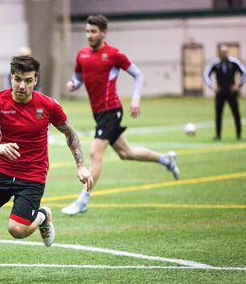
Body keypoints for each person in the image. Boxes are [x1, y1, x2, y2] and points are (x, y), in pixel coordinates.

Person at [0, 55, 93, 281]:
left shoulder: (48, 105)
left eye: (28, 80)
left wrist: (81, 165)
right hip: (2, 171)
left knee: (17, 230)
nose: (22, 85)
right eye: (17, 79)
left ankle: (42, 216)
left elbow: (70, 133)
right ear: (11, 77)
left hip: (33, 175)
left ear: (36, 80)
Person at [61, 15, 180, 216]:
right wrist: (74, 84)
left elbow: (138, 74)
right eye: (87, 31)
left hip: (111, 110)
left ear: (104, 33)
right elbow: (78, 78)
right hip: (98, 113)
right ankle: (166, 160)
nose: (89, 35)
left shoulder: (114, 54)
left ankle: (83, 200)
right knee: (127, 153)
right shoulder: (82, 55)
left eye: (93, 32)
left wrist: (135, 99)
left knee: (94, 154)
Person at [204, 44, 246, 140]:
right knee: (218, 114)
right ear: (219, 53)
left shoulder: (233, 62)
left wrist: (238, 85)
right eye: (222, 52)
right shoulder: (215, 63)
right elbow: (206, 74)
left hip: (231, 91)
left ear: (227, 52)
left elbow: (245, 73)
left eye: (225, 51)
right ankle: (218, 135)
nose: (224, 53)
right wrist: (212, 86)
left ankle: (238, 135)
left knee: (236, 113)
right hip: (220, 91)